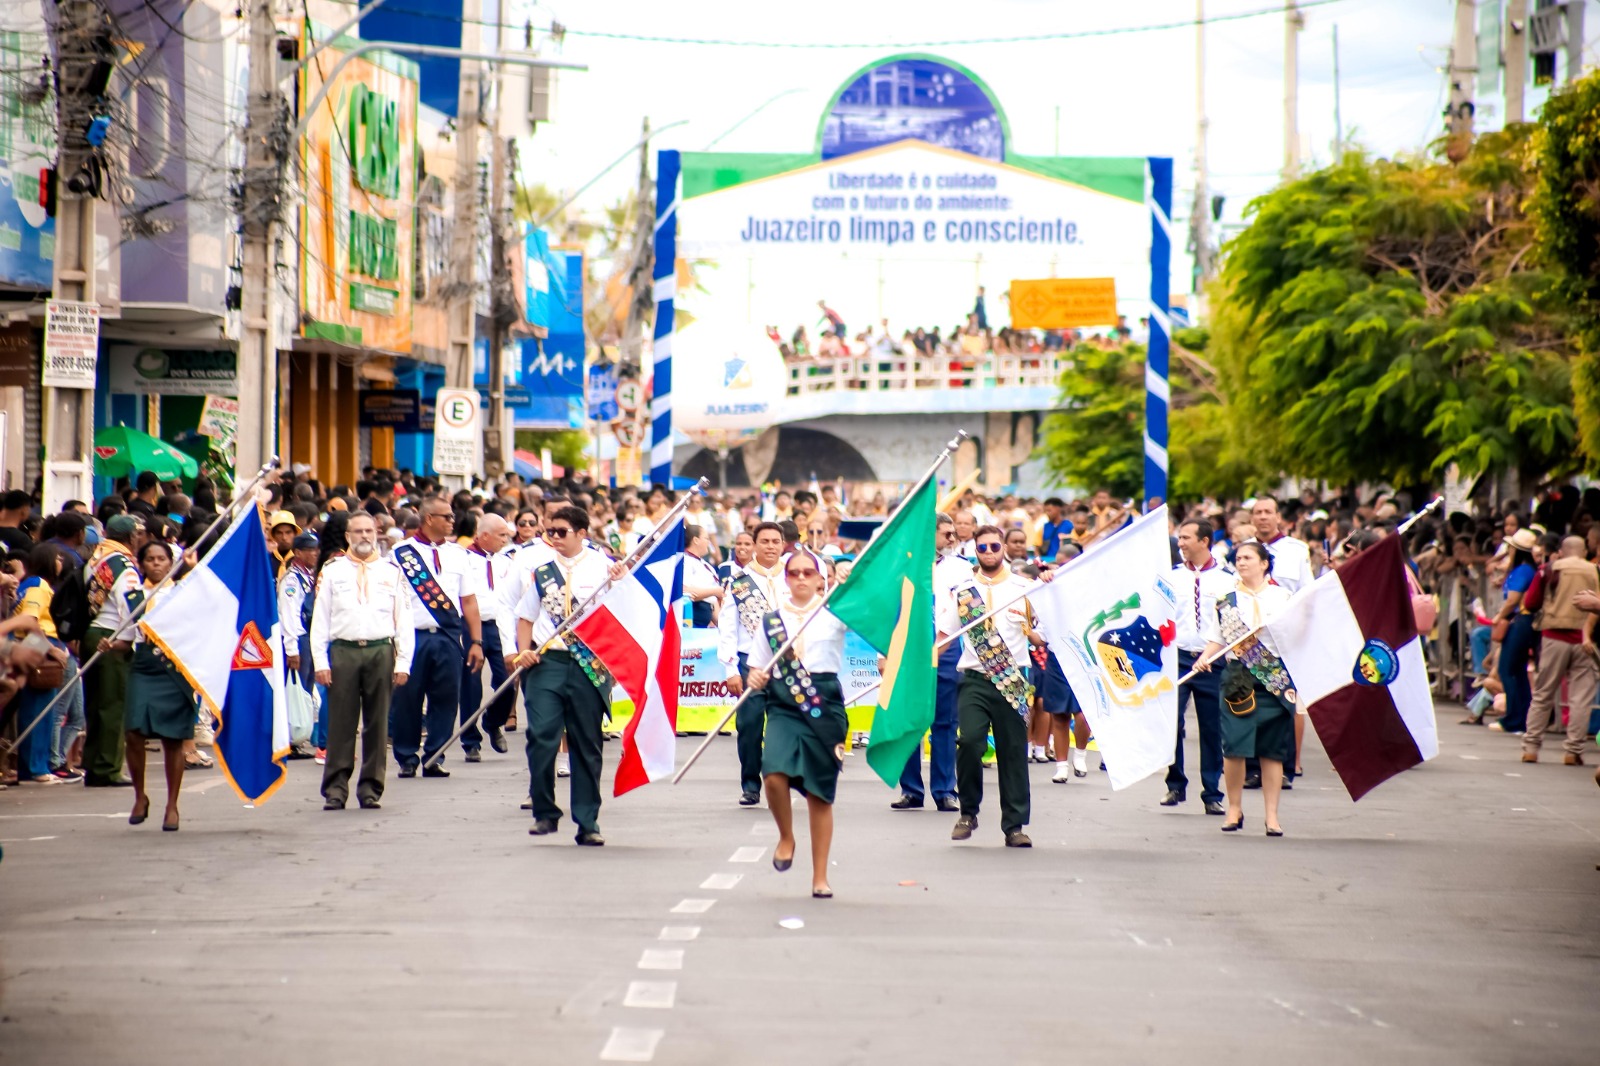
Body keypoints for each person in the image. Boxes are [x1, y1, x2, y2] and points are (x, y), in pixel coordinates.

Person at [745, 552, 850, 898]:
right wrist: (755, 677)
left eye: (808, 572)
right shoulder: (772, 621)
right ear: (786, 579)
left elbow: (876, 616)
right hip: (784, 704)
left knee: (820, 795)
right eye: (794, 573)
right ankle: (786, 836)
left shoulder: (836, 612)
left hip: (824, 705)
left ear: (821, 578)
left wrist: (852, 582)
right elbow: (758, 666)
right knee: (773, 773)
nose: (801, 578)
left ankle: (820, 877)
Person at [514, 505, 618, 845]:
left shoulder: (605, 568)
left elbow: (621, 615)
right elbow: (526, 617)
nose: (554, 537)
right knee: (541, 735)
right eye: (550, 532)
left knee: (586, 743)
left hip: (589, 663)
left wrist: (622, 581)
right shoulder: (543, 572)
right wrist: (522, 650)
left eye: (562, 531)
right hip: (548, 662)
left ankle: (588, 822)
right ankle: (545, 811)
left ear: (581, 533)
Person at [946, 525, 1054, 846]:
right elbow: (944, 635)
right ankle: (968, 812)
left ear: (1004, 548)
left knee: (1013, 752)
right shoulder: (963, 591)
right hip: (975, 679)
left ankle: (1014, 826)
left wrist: (1049, 589)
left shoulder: (1025, 588)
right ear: (975, 550)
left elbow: (1042, 635)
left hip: (1013, 679)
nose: (989, 552)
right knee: (969, 742)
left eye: (995, 546)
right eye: (982, 547)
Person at [310, 512, 414, 810]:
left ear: (377, 534)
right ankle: (335, 789)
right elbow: (321, 618)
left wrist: (403, 662)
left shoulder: (391, 571)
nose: (365, 536)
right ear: (348, 536)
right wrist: (321, 661)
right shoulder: (333, 571)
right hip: (344, 650)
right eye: (358, 531)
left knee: (377, 724)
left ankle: (370, 788)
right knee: (341, 724)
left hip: (380, 650)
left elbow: (403, 619)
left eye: (369, 531)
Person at [1195, 542, 1295, 836]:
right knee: (1234, 747)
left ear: (1264, 563)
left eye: (1248, 558)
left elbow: (1296, 637)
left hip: (1274, 677)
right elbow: (1217, 639)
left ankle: (1272, 816)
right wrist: (1204, 658)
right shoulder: (1226, 601)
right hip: (1238, 678)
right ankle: (1234, 808)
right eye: (1238, 558)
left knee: (1272, 751)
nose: (1241, 562)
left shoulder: (1283, 598)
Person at [389, 497, 485, 777]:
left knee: (446, 698)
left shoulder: (458, 554)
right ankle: (406, 756)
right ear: (429, 518)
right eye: (447, 517)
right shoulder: (400, 553)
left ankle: (435, 755)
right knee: (407, 698)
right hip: (411, 636)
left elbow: (469, 600)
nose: (453, 521)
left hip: (447, 635)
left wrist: (476, 642)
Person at [894, 512, 968, 812]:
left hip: (947, 649)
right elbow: (891, 610)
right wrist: (884, 654)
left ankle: (945, 790)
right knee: (909, 721)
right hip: (910, 650)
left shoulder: (962, 568)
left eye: (954, 533)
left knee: (945, 723)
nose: (953, 538)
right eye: (946, 533)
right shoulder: (905, 564)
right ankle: (911, 790)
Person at [121, 542, 195, 831]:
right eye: (150, 559)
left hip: (175, 667)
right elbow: (125, 638)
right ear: (142, 564)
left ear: (170, 562)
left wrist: (191, 569)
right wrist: (110, 645)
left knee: (173, 738)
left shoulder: (183, 592)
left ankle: (172, 805)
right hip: (144, 666)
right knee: (134, 731)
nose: (156, 563)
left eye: (161, 558)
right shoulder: (132, 597)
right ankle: (140, 796)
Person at [1162, 519, 1234, 815]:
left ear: (1204, 541)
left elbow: (1230, 621)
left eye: (1186, 538)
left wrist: (1213, 654)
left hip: (1211, 661)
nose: (1180, 543)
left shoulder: (1227, 579)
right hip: (1177, 658)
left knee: (1211, 727)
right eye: (1179, 538)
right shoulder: (1172, 576)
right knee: (1171, 722)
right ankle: (1175, 783)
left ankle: (1212, 792)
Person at [717, 521, 789, 806]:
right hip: (751, 663)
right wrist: (731, 669)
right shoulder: (739, 582)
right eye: (765, 541)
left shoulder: (794, 576)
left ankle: (778, 781)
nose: (770, 547)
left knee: (784, 726)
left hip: (787, 661)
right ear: (755, 545)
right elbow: (728, 628)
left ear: (783, 545)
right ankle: (750, 784)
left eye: (775, 541)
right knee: (749, 725)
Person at [1519, 535, 1598, 765]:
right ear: (1584, 552)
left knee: (1543, 693)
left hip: (1553, 637)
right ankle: (1573, 751)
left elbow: (1531, 602)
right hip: (1585, 638)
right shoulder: (1594, 570)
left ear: (1561, 552)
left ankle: (1531, 748)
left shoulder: (1548, 569)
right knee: (1581, 698)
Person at [81, 514, 145, 787]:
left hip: (92, 633)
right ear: (131, 537)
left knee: (95, 703)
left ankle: (93, 764)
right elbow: (132, 607)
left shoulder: (97, 558)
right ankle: (108, 768)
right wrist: (134, 640)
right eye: (138, 534)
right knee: (113, 705)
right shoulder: (125, 567)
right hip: (112, 636)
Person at [461, 514, 517, 760]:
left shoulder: (507, 561)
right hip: (472, 625)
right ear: (484, 535)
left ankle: (493, 721)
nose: (506, 540)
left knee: (508, 681)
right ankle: (470, 740)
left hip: (499, 626)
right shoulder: (464, 558)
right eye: (501, 535)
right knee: (471, 685)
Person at [11, 542, 67, 784]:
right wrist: (51, 649)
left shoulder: (29, 584)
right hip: (37, 643)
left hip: (30, 643)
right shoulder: (38, 586)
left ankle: (33, 766)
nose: (61, 562)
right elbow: (30, 620)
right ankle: (37, 767)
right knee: (39, 710)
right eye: (57, 558)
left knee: (36, 708)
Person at [1491, 528, 1540, 735]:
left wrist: (1499, 616)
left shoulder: (1522, 571)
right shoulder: (1525, 569)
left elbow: (1512, 600)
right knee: (1517, 670)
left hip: (1520, 621)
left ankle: (1513, 719)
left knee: (1507, 669)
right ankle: (1521, 718)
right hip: (1524, 622)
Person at [278, 531, 321, 757]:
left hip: (311, 637)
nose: (314, 554)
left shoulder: (309, 577)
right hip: (299, 639)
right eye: (309, 550)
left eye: (316, 549)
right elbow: (289, 615)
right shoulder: (292, 580)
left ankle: (297, 737)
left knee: (305, 690)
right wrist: (292, 649)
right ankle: (288, 739)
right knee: (296, 689)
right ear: (298, 553)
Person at [682, 524, 723, 628]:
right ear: (696, 540)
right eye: (706, 538)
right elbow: (685, 592)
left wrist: (723, 627)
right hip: (691, 619)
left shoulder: (706, 565)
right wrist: (715, 591)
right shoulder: (685, 561)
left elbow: (712, 601)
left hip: (705, 620)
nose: (709, 542)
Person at [268, 511, 299, 578]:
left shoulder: (301, 558)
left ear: (295, 534)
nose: (284, 537)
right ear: (273, 535)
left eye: (288, 532)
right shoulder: (266, 558)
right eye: (279, 533)